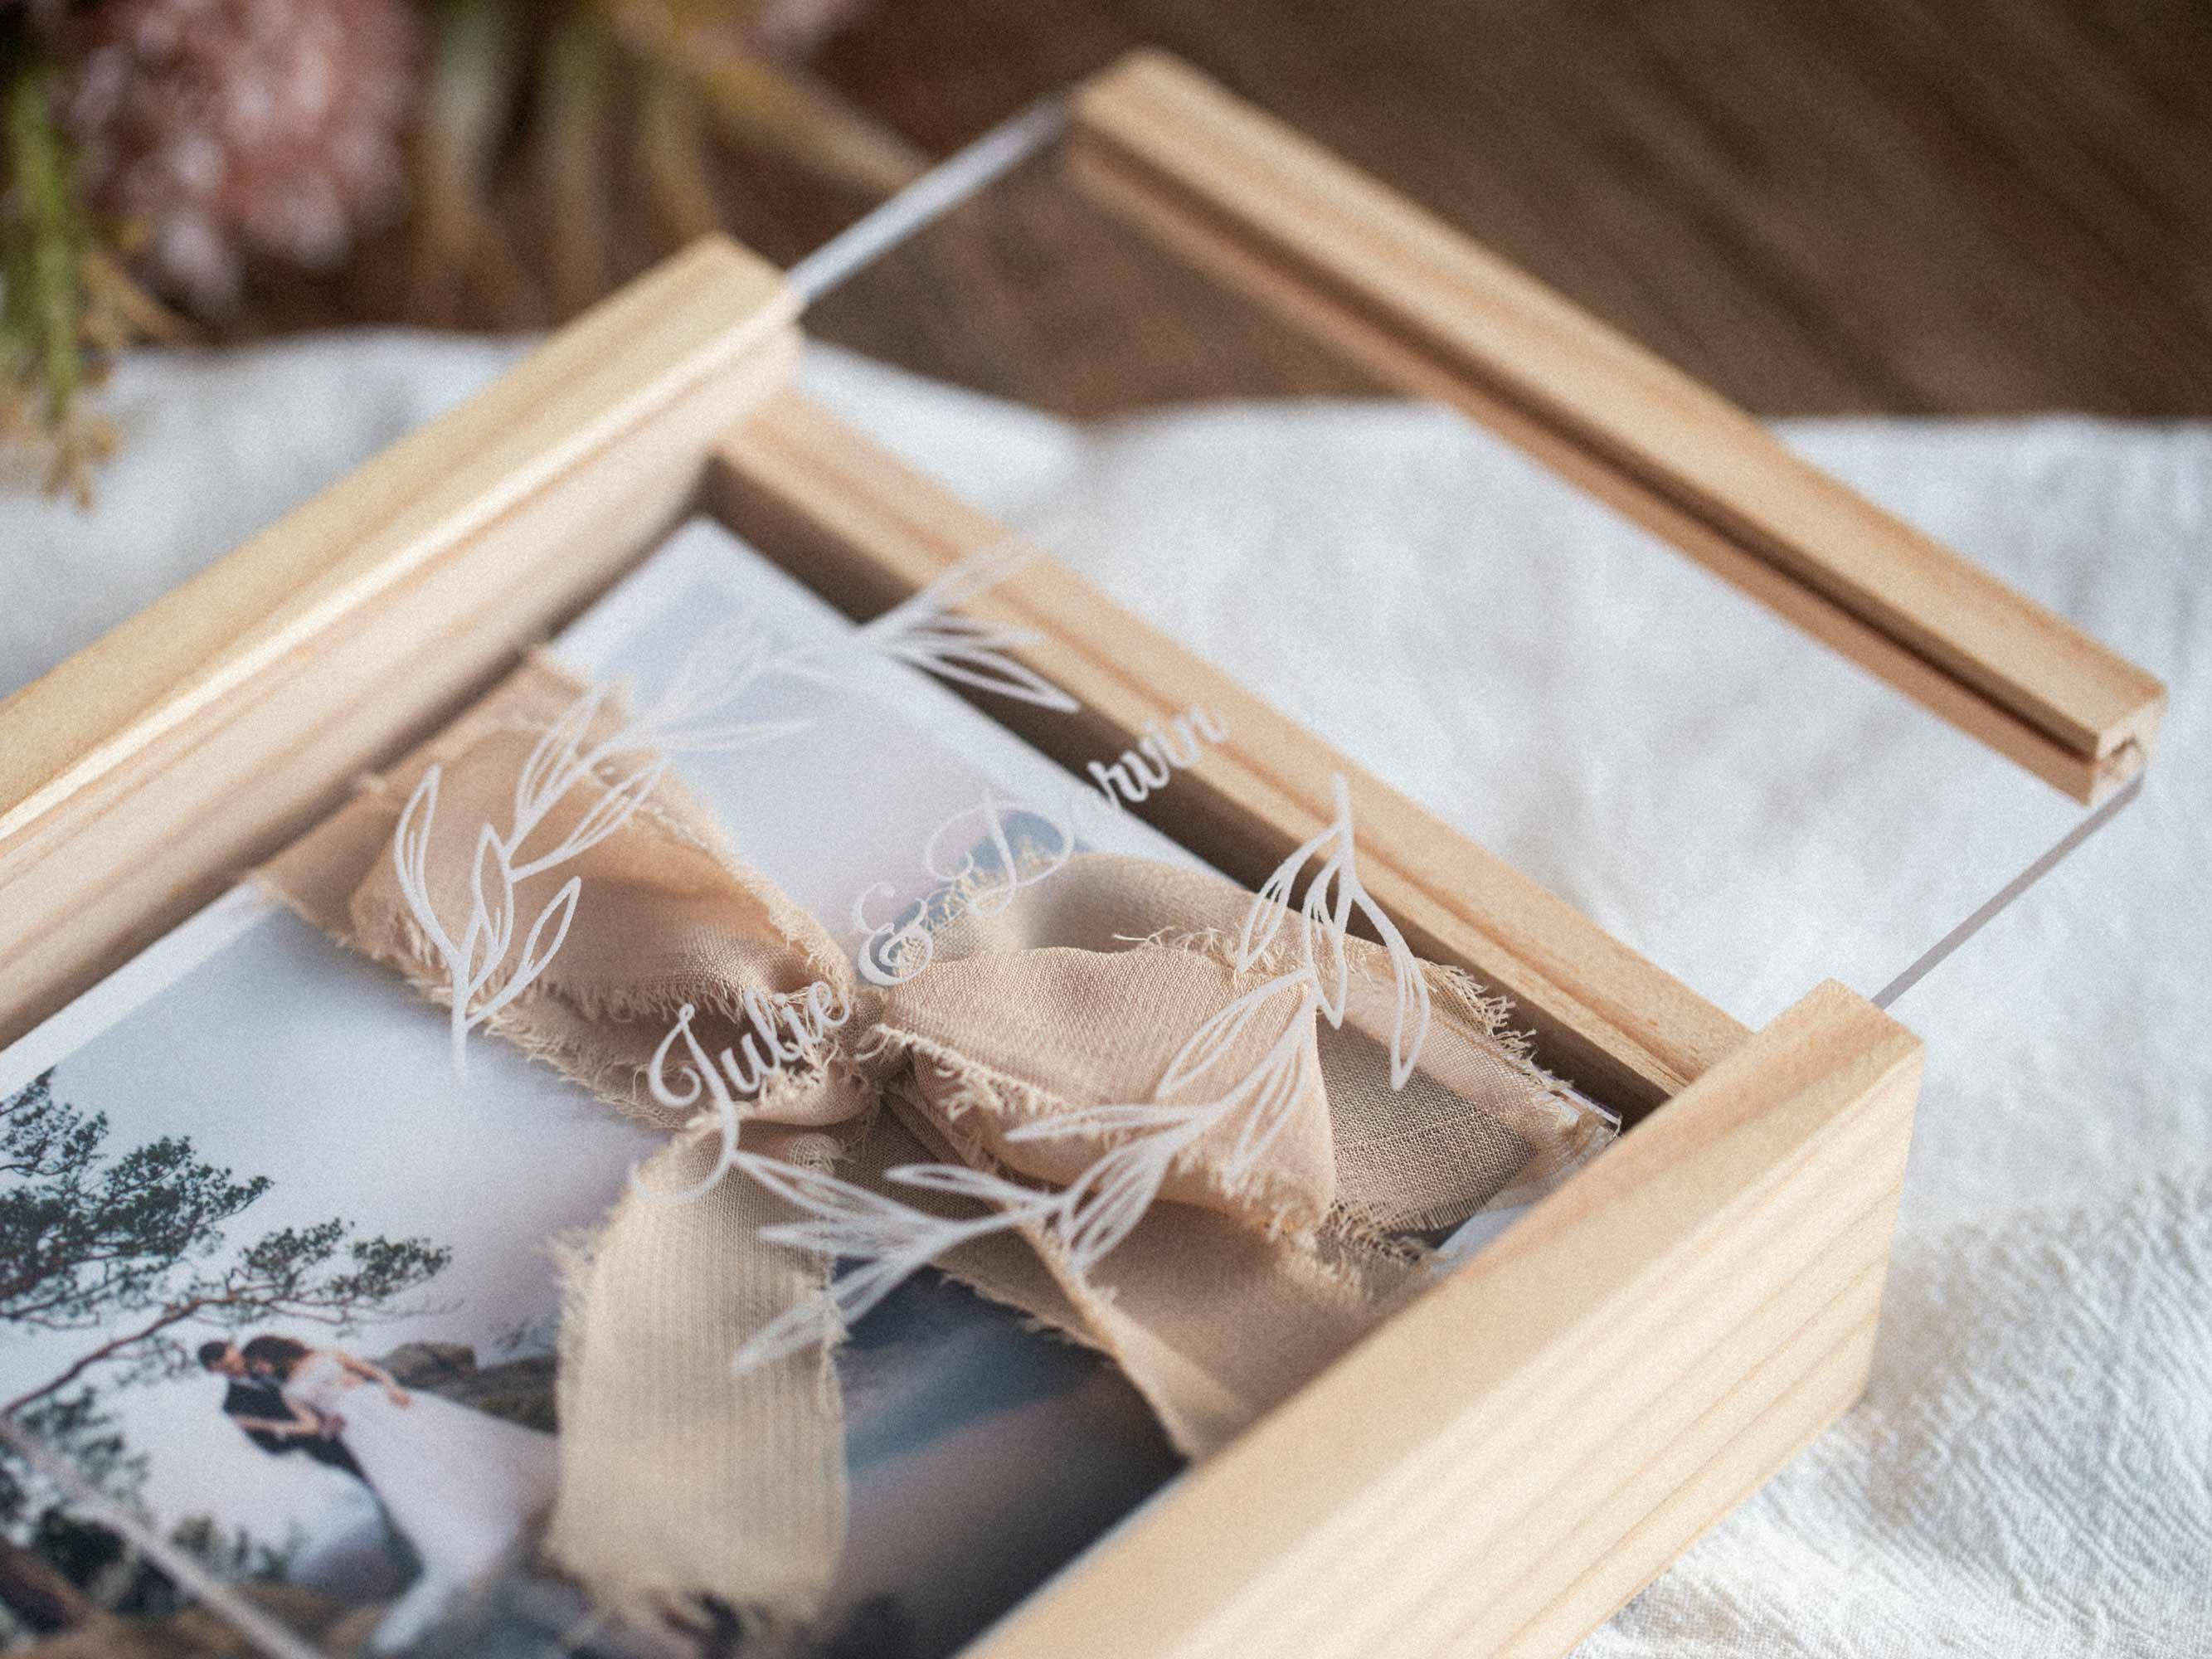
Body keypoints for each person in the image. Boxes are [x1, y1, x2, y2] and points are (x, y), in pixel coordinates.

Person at [241, 1334, 558, 1653]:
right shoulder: (289, 1391)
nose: (260, 1369)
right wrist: (269, 1425)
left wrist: (392, 1388)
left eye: (258, 1362)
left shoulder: (326, 1354)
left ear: (270, 1352)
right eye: (256, 1367)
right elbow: (313, 1427)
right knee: (406, 1476)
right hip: (357, 1431)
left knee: (441, 1449)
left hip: (381, 1403)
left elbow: (373, 1372)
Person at [198, 1339, 367, 1485]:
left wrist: (345, 1378)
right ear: (212, 1371)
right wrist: (311, 1430)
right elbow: (273, 1447)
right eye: (227, 1367)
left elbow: (312, 1361)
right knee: (373, 1479)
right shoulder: (234, 1405)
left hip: (348, 1409)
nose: (238, 1367)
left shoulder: (266, 1356)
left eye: (237, 1359)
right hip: (326, 1446)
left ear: (235, 1349)